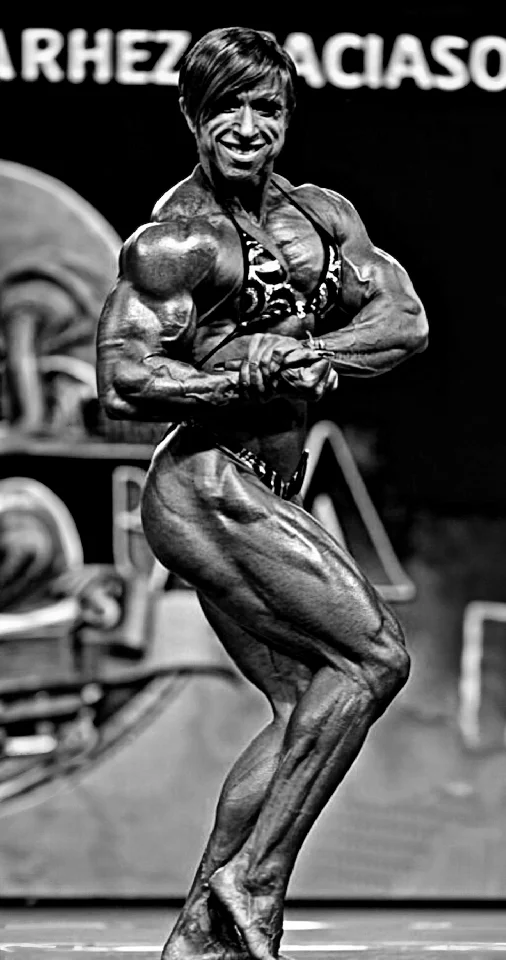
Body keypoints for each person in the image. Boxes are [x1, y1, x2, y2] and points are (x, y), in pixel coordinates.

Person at [96, 26, 428, 960]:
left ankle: (202, 936)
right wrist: (231, 383)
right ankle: (255, 880)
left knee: (304, 710)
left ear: (286, 116)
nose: (248, 127)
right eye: (226, 110)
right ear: (192, 118)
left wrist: (316, 352)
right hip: (206, 483)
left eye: (266, 108)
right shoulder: (176, 240)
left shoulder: (323, 216)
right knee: (373, 660)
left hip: (264, 485)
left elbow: (404, 320)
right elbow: (122, 377)